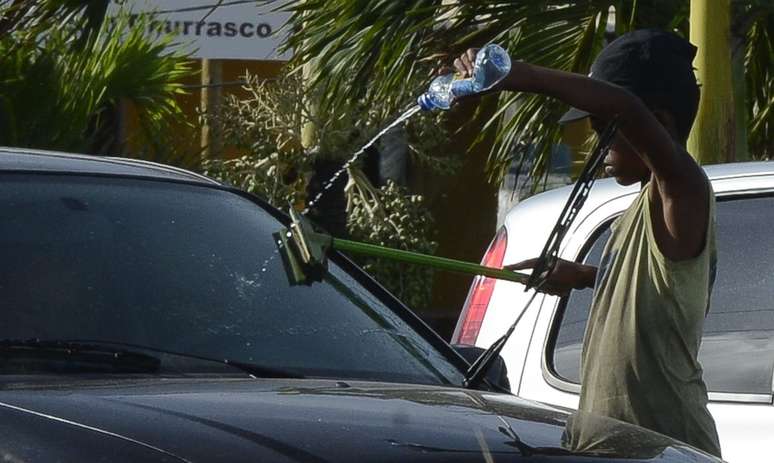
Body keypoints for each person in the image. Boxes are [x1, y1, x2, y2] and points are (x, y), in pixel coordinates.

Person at [450, 29, 721, 457]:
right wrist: (584, 276)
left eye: (605, 128)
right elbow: (658, 292)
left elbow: (626, 107)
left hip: (667, 449)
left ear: (659, 122)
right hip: (615, 449)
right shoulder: (643, 209)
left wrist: (517, 75)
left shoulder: (683, 189)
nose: (600, 144)